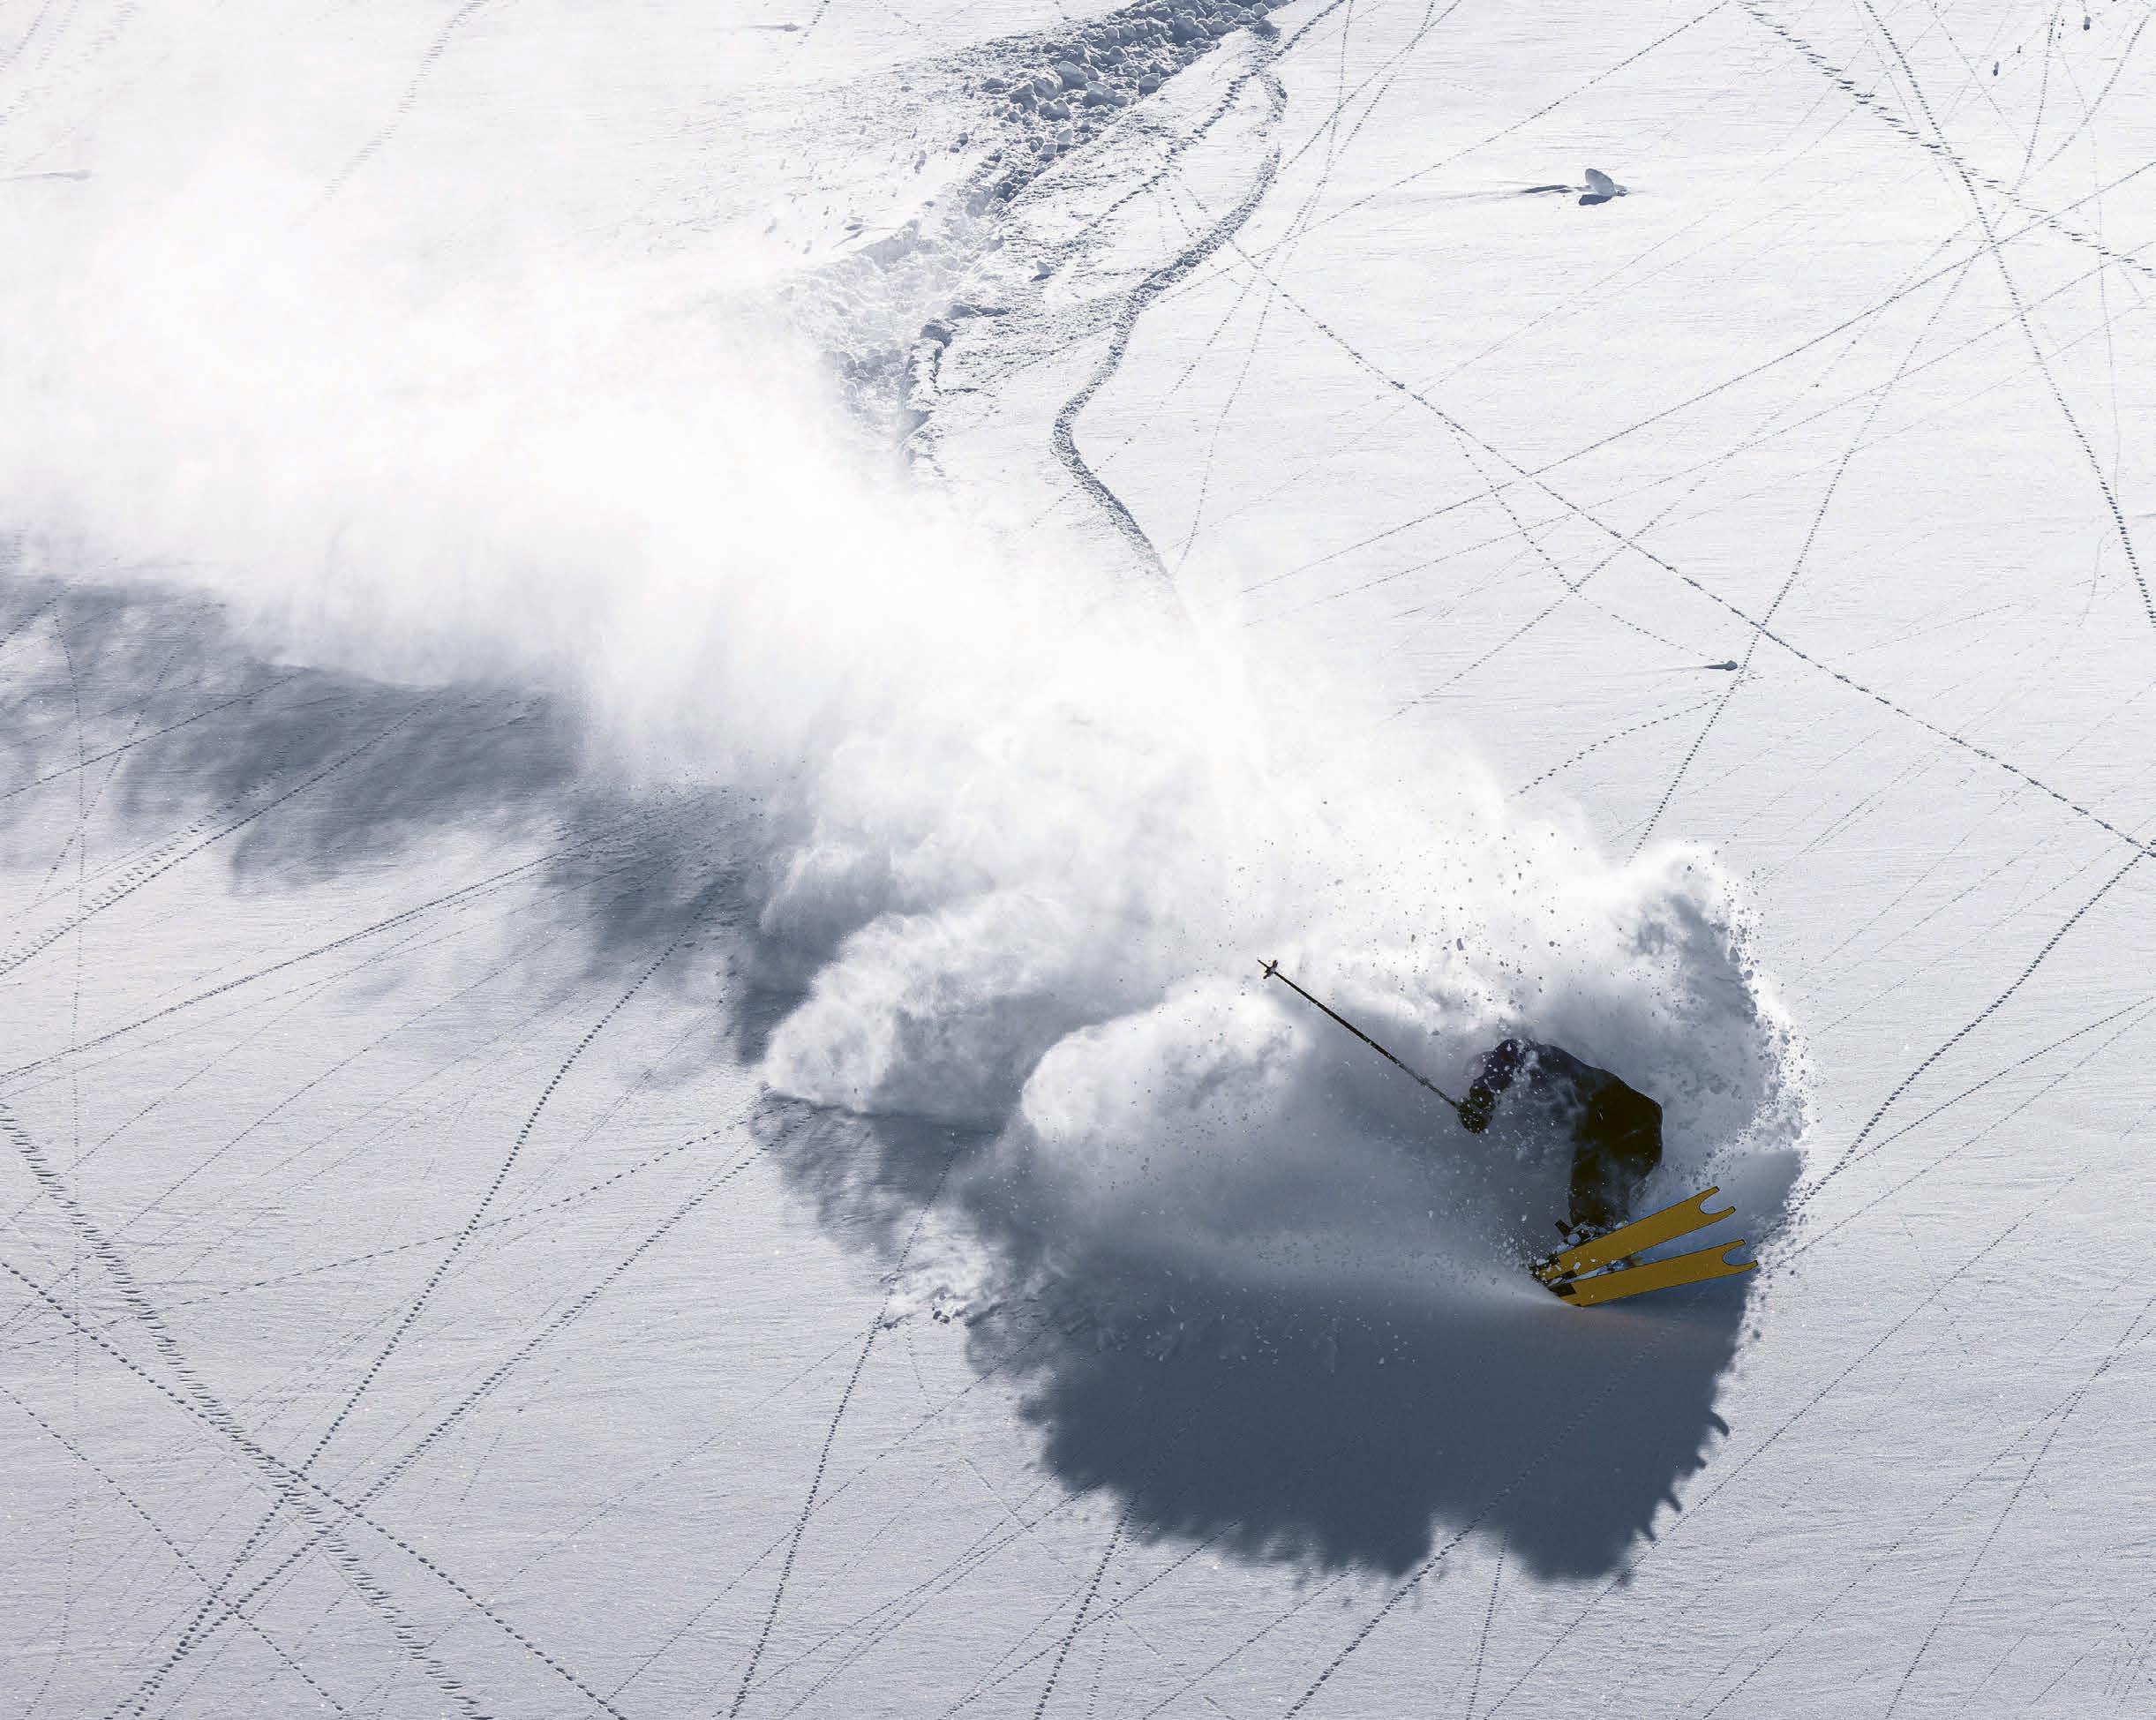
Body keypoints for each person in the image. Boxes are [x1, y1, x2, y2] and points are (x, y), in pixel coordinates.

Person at [1455, 1038, 1662, 1237]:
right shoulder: (1535, 1105)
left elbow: (1512, 1049)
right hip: (1642, 1137)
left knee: (1589, 1188)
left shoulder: (1536, 1063)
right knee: (1603, 1201)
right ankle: (1611, 1242)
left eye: (1486, 1072)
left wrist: (1481, 1096)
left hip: (1625, 1117)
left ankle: (1596, 1234)